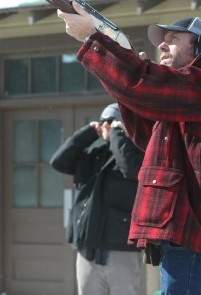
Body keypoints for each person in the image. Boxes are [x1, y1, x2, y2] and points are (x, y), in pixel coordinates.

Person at [57, 5, 201, 295]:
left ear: (200, 46)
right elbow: (148, 139)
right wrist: (132, 90)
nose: (162, 43)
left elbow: (142, 86)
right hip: (196, 240)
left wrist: (92, 39)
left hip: (198, 241)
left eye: (173, 38)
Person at [50, 103, 144, 295]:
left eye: (114, 122)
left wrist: (118, 134)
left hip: (121, 251)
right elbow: (58, 161)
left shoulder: (136, 156)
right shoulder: (92, 157)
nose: (107, 126)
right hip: (88, 249)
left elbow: (130, 169)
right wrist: (89, 132)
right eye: (105, 122)